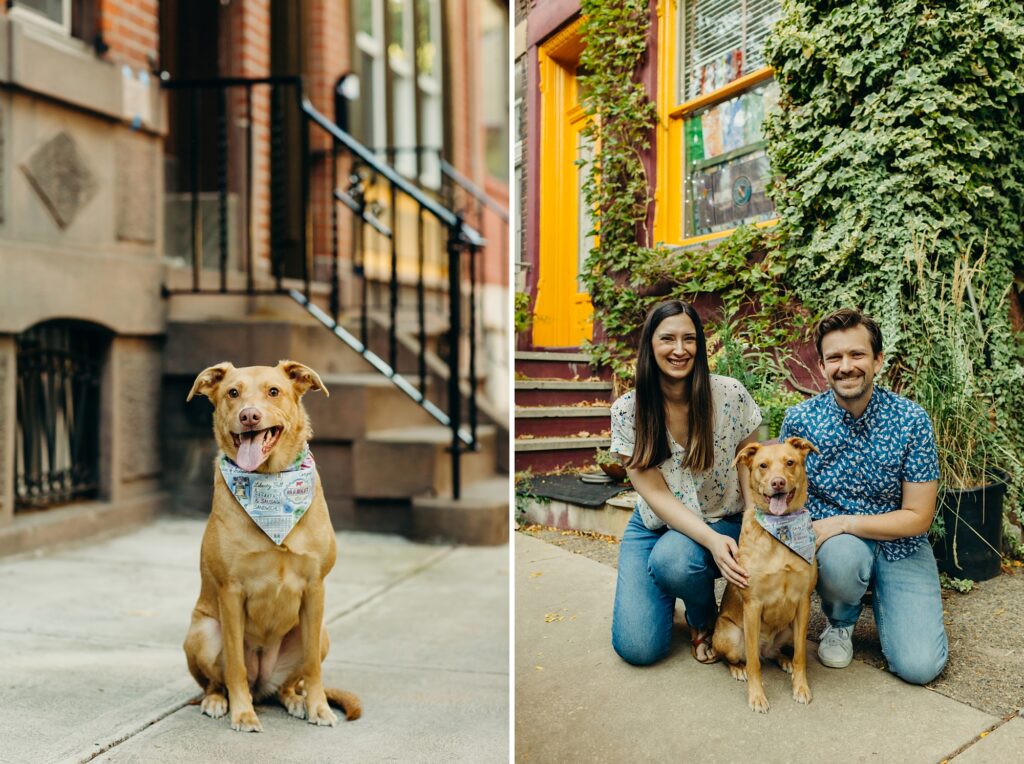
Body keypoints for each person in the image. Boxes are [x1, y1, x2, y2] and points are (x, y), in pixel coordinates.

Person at [779, 308, 948, 685]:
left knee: (920, 667)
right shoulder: (800, 421)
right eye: (835, 357)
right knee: (842, 558)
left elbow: (918, 516)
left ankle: (890, 603)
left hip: (900, 541)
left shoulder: (911, 420)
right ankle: (840, 622)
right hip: (838, 546)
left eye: (857, 355)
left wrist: (843, 521)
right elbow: (787, 494)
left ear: (877, 360)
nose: (846, 366)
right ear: (822, 366)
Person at [610, 300, 762, 666]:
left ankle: (694, 605)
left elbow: (750, 458)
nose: (680, 350)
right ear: (650, 345)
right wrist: (709, 541)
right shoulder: (627, 411)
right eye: (668, 339)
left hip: (723, 513)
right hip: (656, 523)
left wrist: (753, 518)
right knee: (638, 648)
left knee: (676, 559)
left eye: (689, 339)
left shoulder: (729, 394)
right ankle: (700, 609)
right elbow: (656, 495)